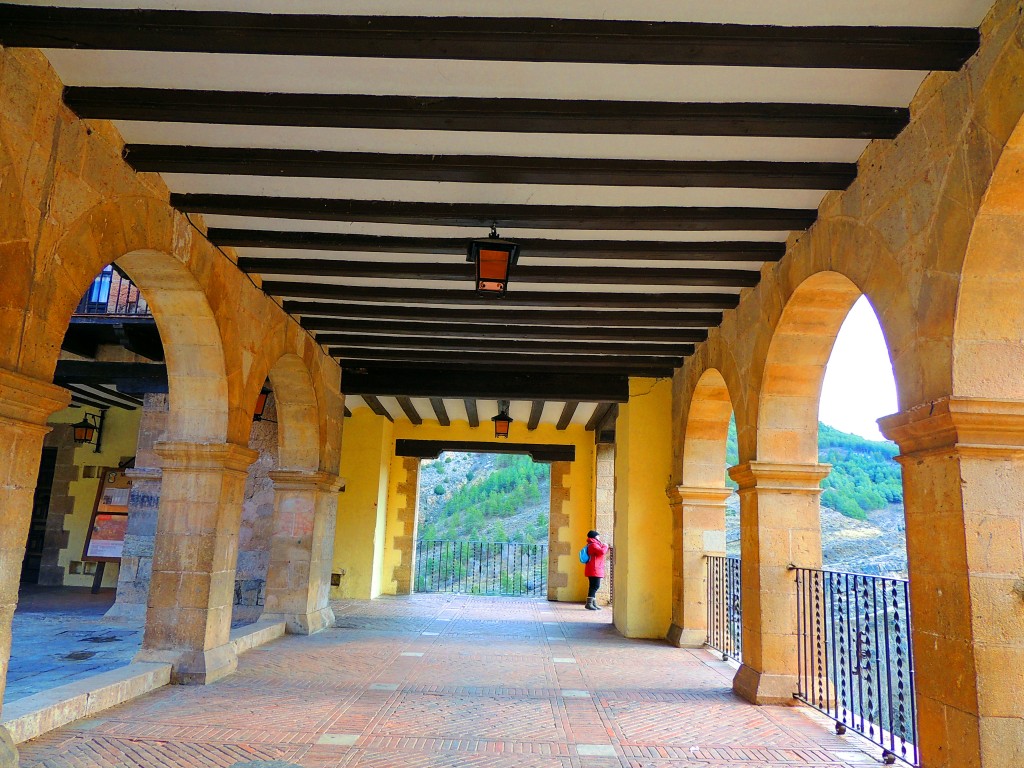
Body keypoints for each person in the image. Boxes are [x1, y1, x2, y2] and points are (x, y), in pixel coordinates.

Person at [583, 529, 609, 610]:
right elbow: (601, 552)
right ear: (595, 536)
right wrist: (606, 545)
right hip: (594, 568)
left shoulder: (592, 544)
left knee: (593, 586)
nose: (599, 537)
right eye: (598, 535)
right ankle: (589, 603)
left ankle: (593, 603)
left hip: (594, 568)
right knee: (595, 586)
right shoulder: (593, 545)